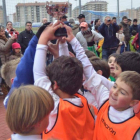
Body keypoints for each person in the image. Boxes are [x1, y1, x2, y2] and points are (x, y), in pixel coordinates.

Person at [61, 26, 140, 139]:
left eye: (122, 92)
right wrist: (72, 41)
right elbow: (89, 70)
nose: (114, 92)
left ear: (133, 102)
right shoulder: (105, 102)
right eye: (115, 86)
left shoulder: (135, 129)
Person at [33, 22, 95, 139]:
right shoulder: (82, 99)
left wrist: (43, 38)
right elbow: (65, 71)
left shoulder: (56, 107)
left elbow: (39, 74)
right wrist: (62, 45)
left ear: (55, 85)